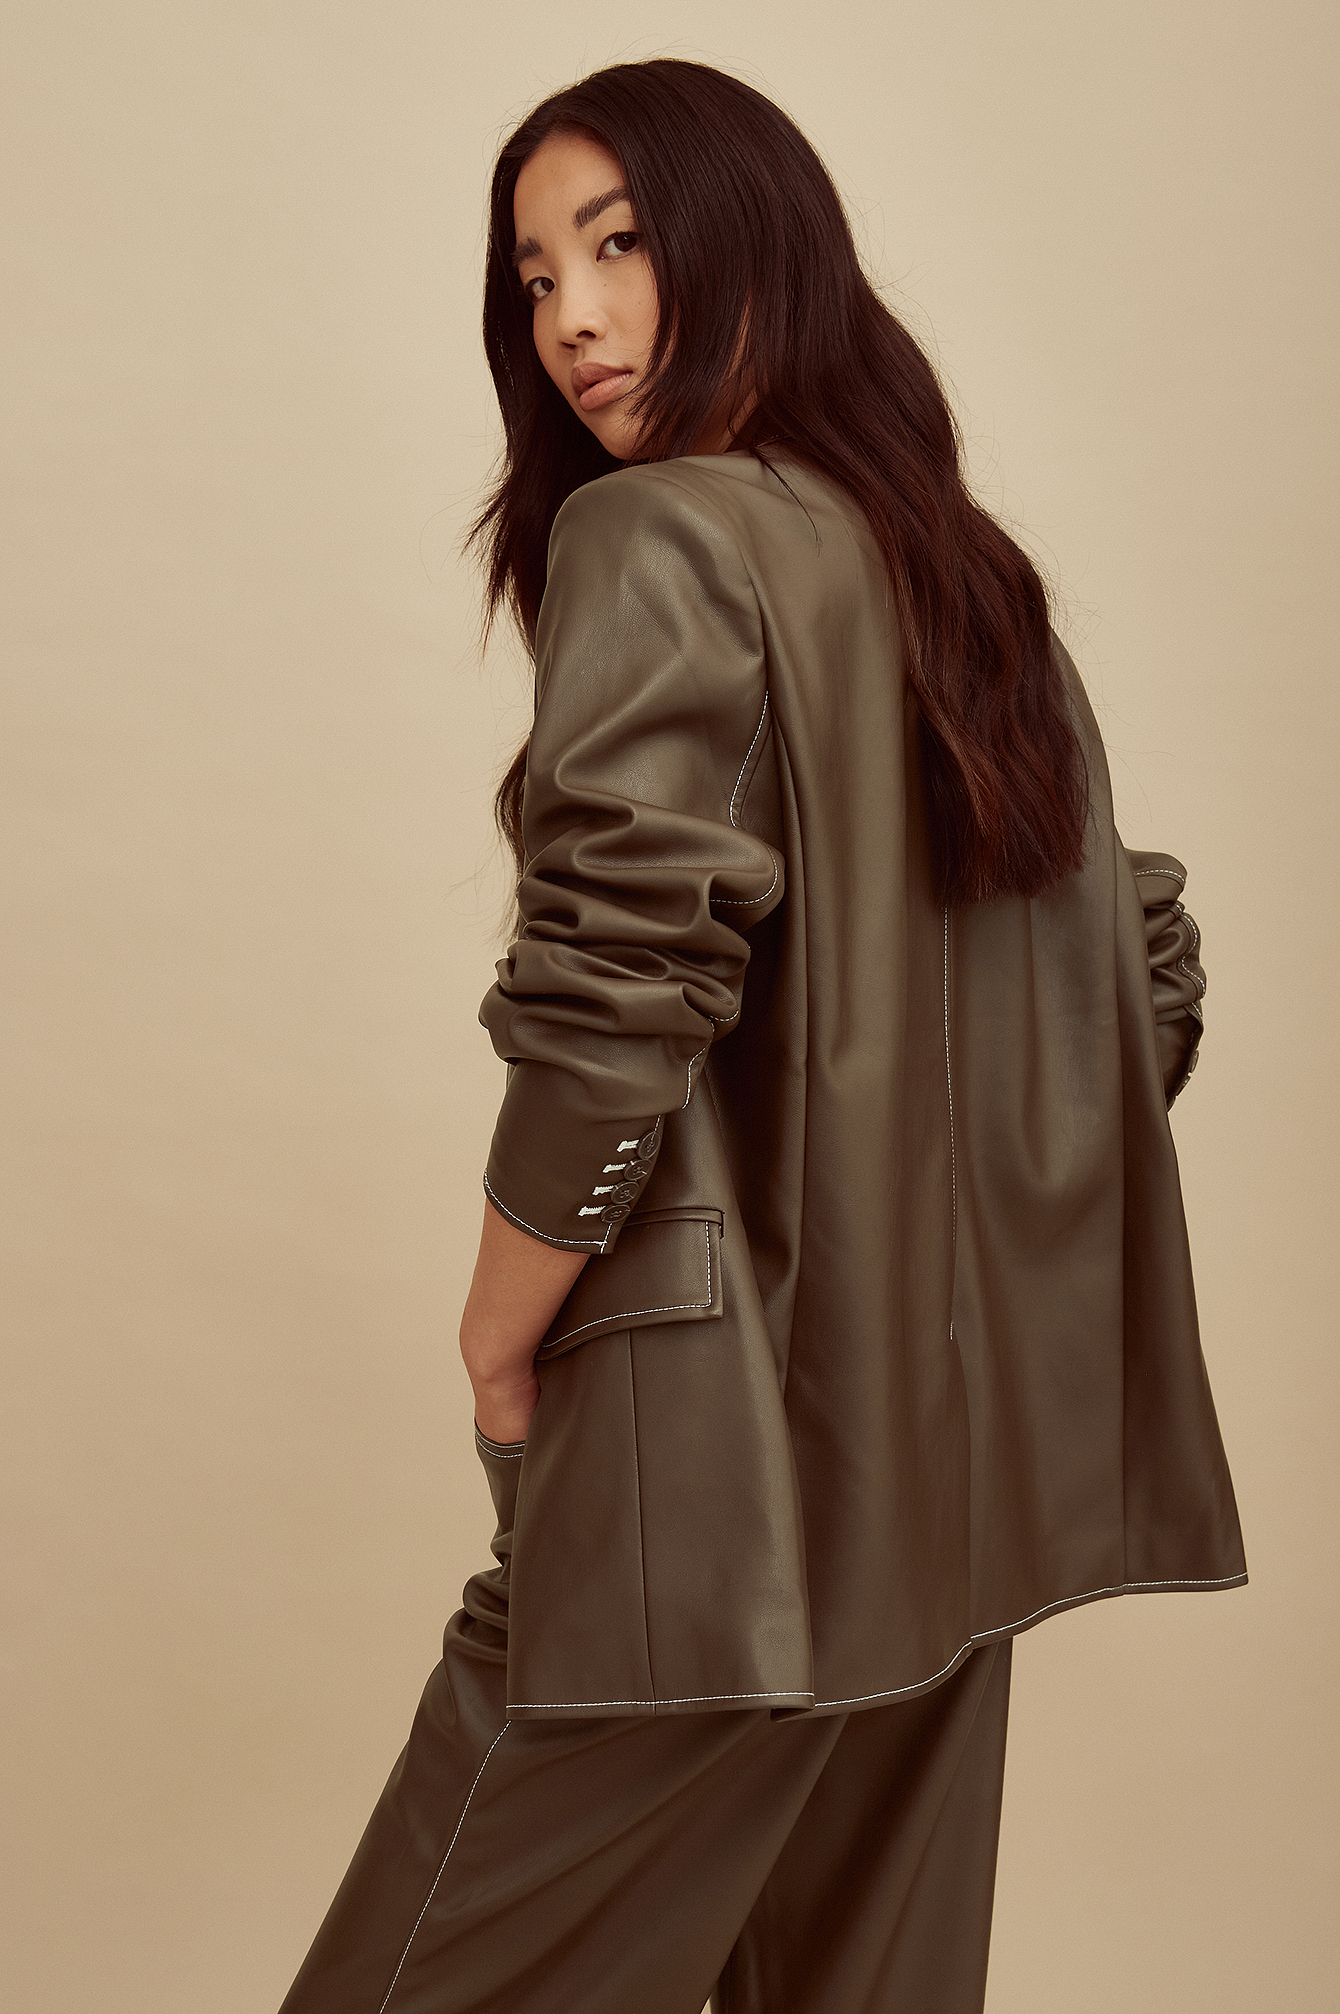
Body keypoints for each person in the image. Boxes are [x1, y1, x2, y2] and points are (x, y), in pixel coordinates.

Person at [279, 58, 1245, 2014]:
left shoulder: (660, 537)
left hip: (717, 1490)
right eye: (534, 277)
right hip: (948, 1499)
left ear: (751, 246)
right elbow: (1135, 984)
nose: (570, 319)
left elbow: (616, 982)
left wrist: (501, 1324)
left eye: (619, 246)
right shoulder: (964, 579)